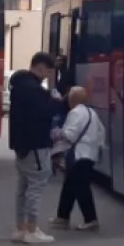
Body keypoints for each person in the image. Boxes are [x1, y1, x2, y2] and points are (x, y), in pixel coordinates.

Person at [8, 52, 61, 244]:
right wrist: (55, 102)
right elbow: (44, 114)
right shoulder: (34, 90)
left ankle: (20, 228)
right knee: (36, 186)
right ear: (40, 67)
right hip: (36, 145)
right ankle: (32, 229)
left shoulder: (19, 86)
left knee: (22, 188)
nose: (47, 75)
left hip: (21, 146)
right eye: (47, 71)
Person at [49, 86, 104, 232]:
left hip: (78, 155)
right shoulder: (92, 113)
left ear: (72, 99)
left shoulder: (75, 113)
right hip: (89, 154)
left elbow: (70, 135)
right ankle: (62, 217)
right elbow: (101, 133)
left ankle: (91, 219)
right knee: (70, 187)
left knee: (81, 188)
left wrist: (58, 133)